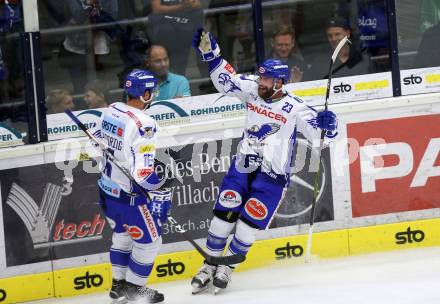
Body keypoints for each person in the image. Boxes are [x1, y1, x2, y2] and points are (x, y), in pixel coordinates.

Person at [190, 29, 338, 293]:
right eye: (260, 78)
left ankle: (227, 267)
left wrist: (330, 125)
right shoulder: (252, 90)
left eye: (267, 80)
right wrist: (211, 56)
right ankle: (208, 265)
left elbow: (322, 136)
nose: (260, 83)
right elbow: (226, 80)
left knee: (248, 225)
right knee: (223, 217)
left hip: (273, 177)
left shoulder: (296, 107)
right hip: (243, 167)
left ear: (280, 82)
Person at [94, 69, 172, 303]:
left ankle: (118, 286)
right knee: (150, 242)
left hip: (107, 192)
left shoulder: (111, 110)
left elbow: (95, 145)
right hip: (129, 199)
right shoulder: (145, 124)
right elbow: (143, 173)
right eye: (152, 91)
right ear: (145, 93)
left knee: (122, 236)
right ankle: (135, 289)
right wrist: (161, 186)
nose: (154, 95)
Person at [147, 0, 203, 74]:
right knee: (163, 64)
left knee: (180, 66)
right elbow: (156, 9)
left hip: (184, 28)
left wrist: (189, 4)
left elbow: (197, 4)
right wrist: (181, 7)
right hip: (164, 30)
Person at [305, 16, 369, 80]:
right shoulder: (319, 62)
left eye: (337, 34)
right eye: (330, 36)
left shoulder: (362, 57)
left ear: (348, 33)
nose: (333, 39)